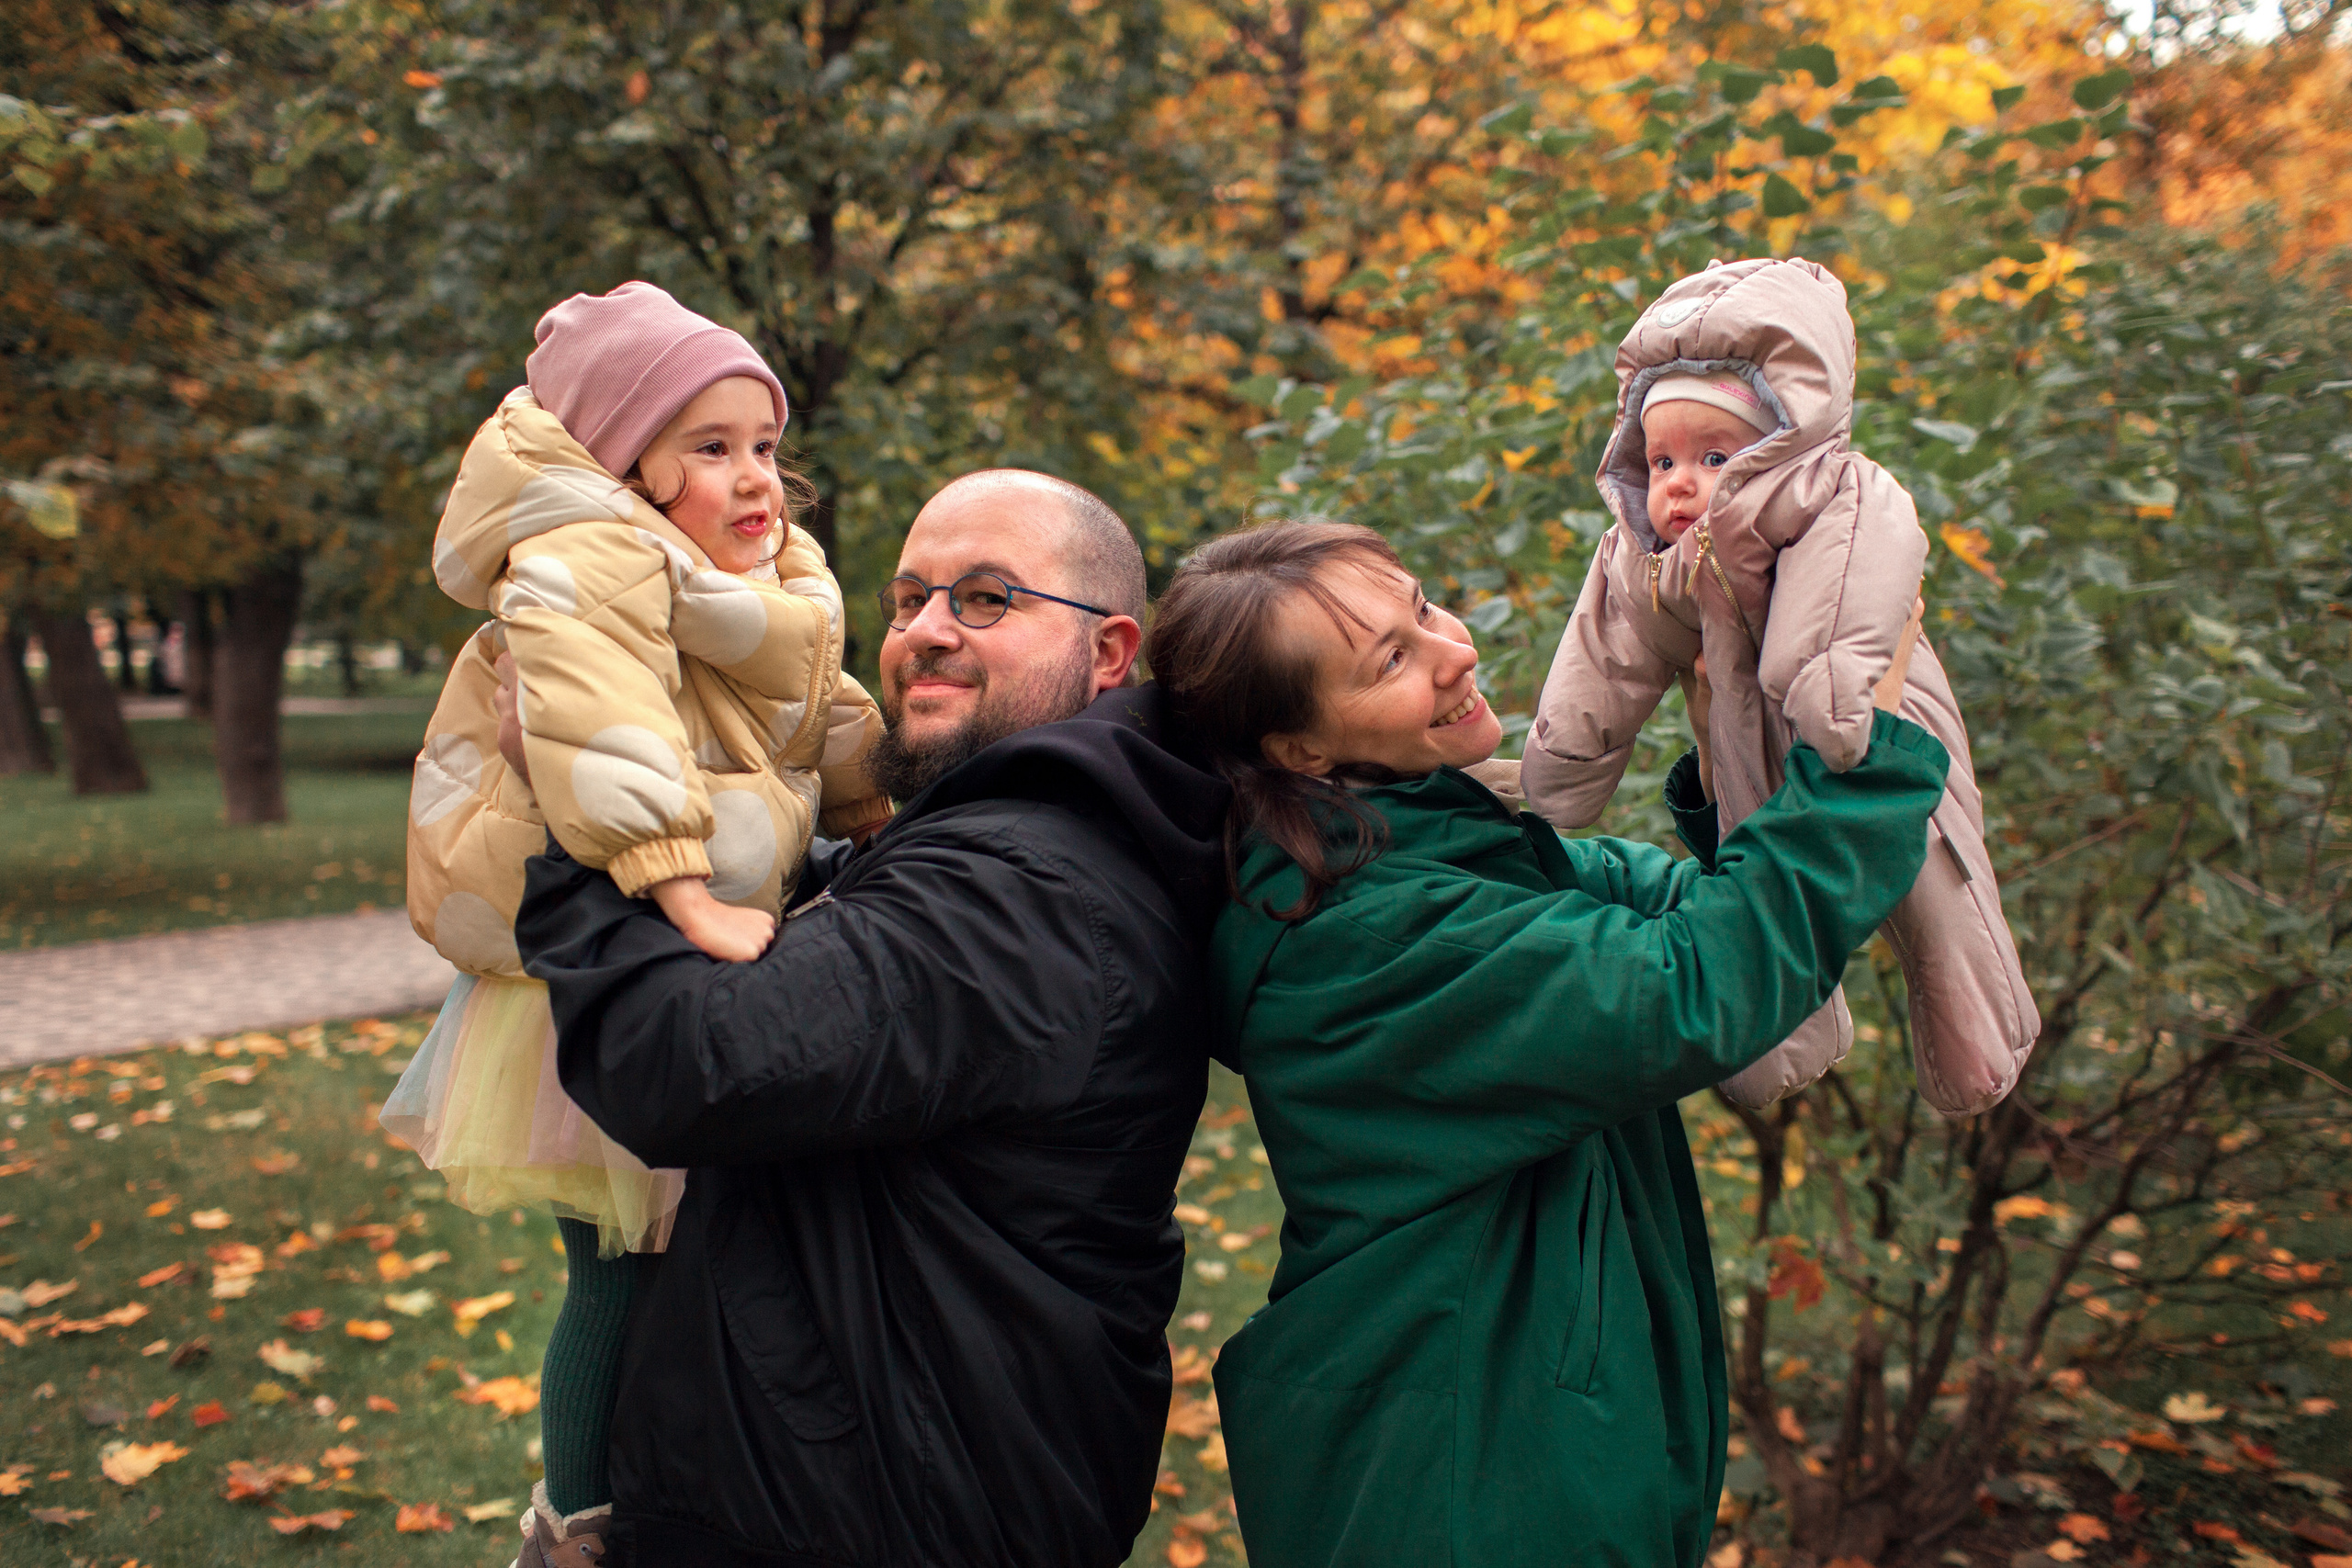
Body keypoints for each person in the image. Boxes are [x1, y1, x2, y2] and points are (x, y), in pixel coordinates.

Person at [1144, 518, 1948, 1568]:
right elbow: (1693, 983)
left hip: (1508, 1435)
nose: (1452, 650)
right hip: (1463, 1476)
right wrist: (1862, 749)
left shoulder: (1440, 837)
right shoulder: (1360, 934)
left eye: (1423, 607)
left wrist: (1728, 741)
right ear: (1301, 749)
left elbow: (1695, 910)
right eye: (1389, 659)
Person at [508, 470, 1232, 1568]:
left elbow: (691, 1065)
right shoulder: (1028, 837)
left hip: (869, 1513)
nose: (926, 632)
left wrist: (584, 832)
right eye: (908, 600)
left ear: (1109, 651)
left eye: (986, 598)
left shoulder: (1018, 891)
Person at [383, 281, 888, 1563]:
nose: (755, 477)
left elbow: (813, 704)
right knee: (617, 1265)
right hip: (591, 955)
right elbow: (597, 718)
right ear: (628, 464)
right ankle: (574, 1519)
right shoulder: (586, 559)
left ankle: (660, 1480)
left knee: (685, 1259)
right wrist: (679, 883)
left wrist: (885, 800)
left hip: (672, 932)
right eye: (710, 449)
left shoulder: (770, 570)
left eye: (765, 446)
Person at [1521, 255, 2038, 1115]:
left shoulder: (1837, 488)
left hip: (1875, 702)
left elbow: (1857, 571)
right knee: (1755, 881)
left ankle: (1980, 1045)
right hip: (1736, 723)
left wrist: (1829, 683)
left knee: (1933, 881)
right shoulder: (1639, 555)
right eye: (1661, 461)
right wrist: (1564, 763)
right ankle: (1777, 1046)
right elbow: (1604, 652)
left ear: (1781, 441)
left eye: (1715, 454)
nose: (1680, 482)